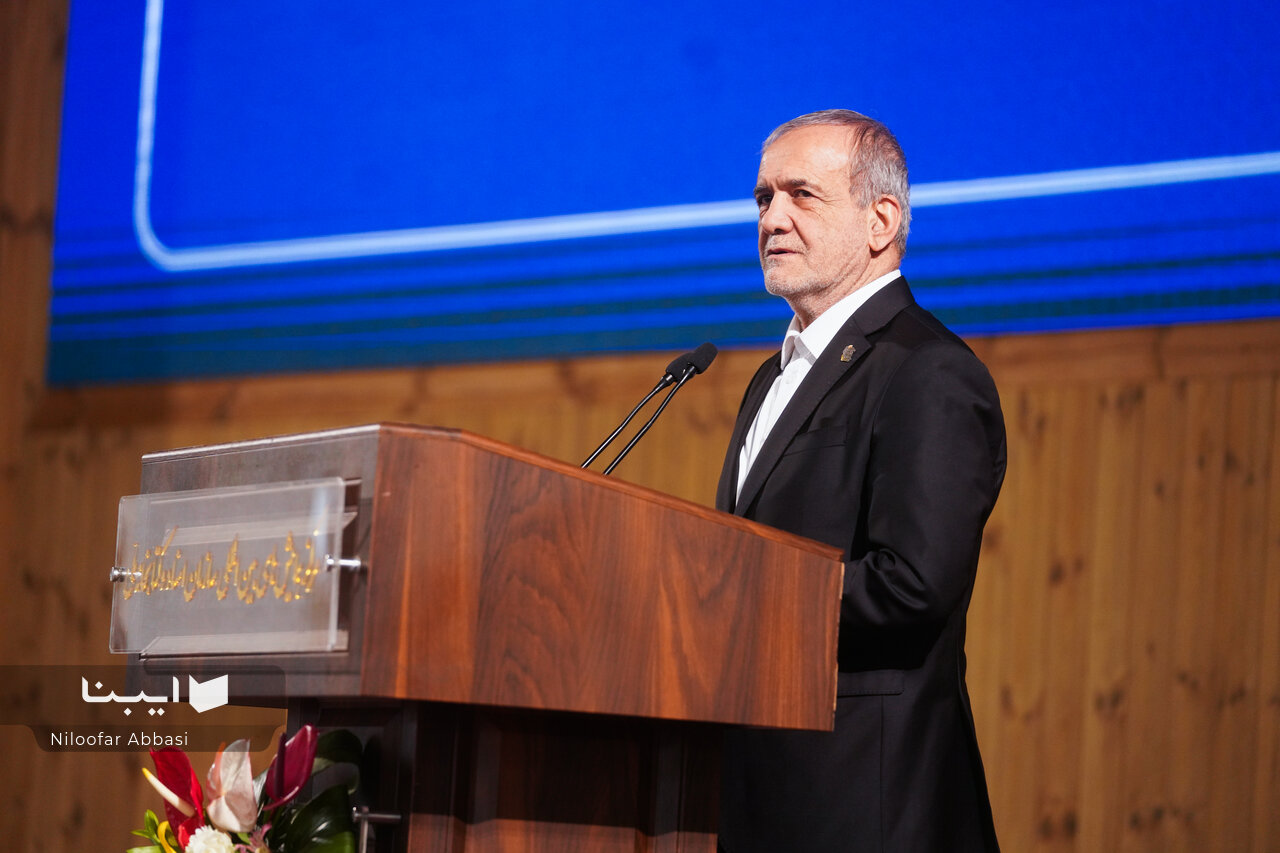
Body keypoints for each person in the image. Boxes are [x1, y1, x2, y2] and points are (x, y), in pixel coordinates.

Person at [715, 109, 1006, 852]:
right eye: (763, 198)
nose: (772, 219)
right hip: (754, 796)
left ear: (881, 221)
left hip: (866, 804)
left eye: (801, 195)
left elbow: (912, 586)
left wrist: (730, 597)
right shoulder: (768, 379)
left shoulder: (929, 371)